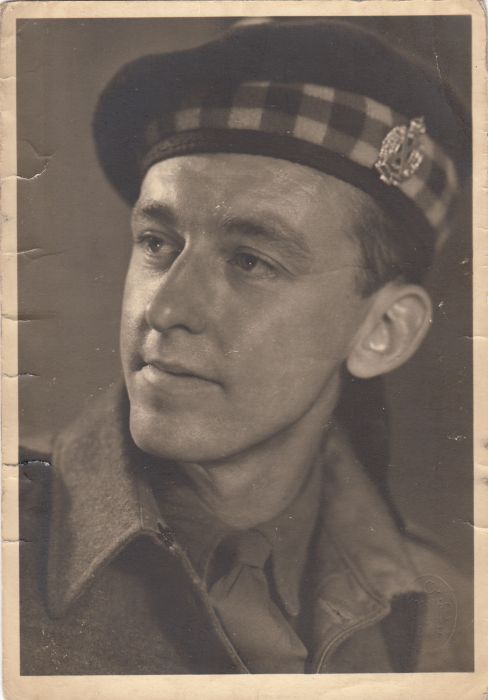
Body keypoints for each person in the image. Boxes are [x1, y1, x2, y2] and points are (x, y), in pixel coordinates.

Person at [20, 18, 473, 674]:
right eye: (156, 243)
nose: (164, 310)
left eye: (250, 261)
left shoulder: (445, 619)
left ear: (384, 332)